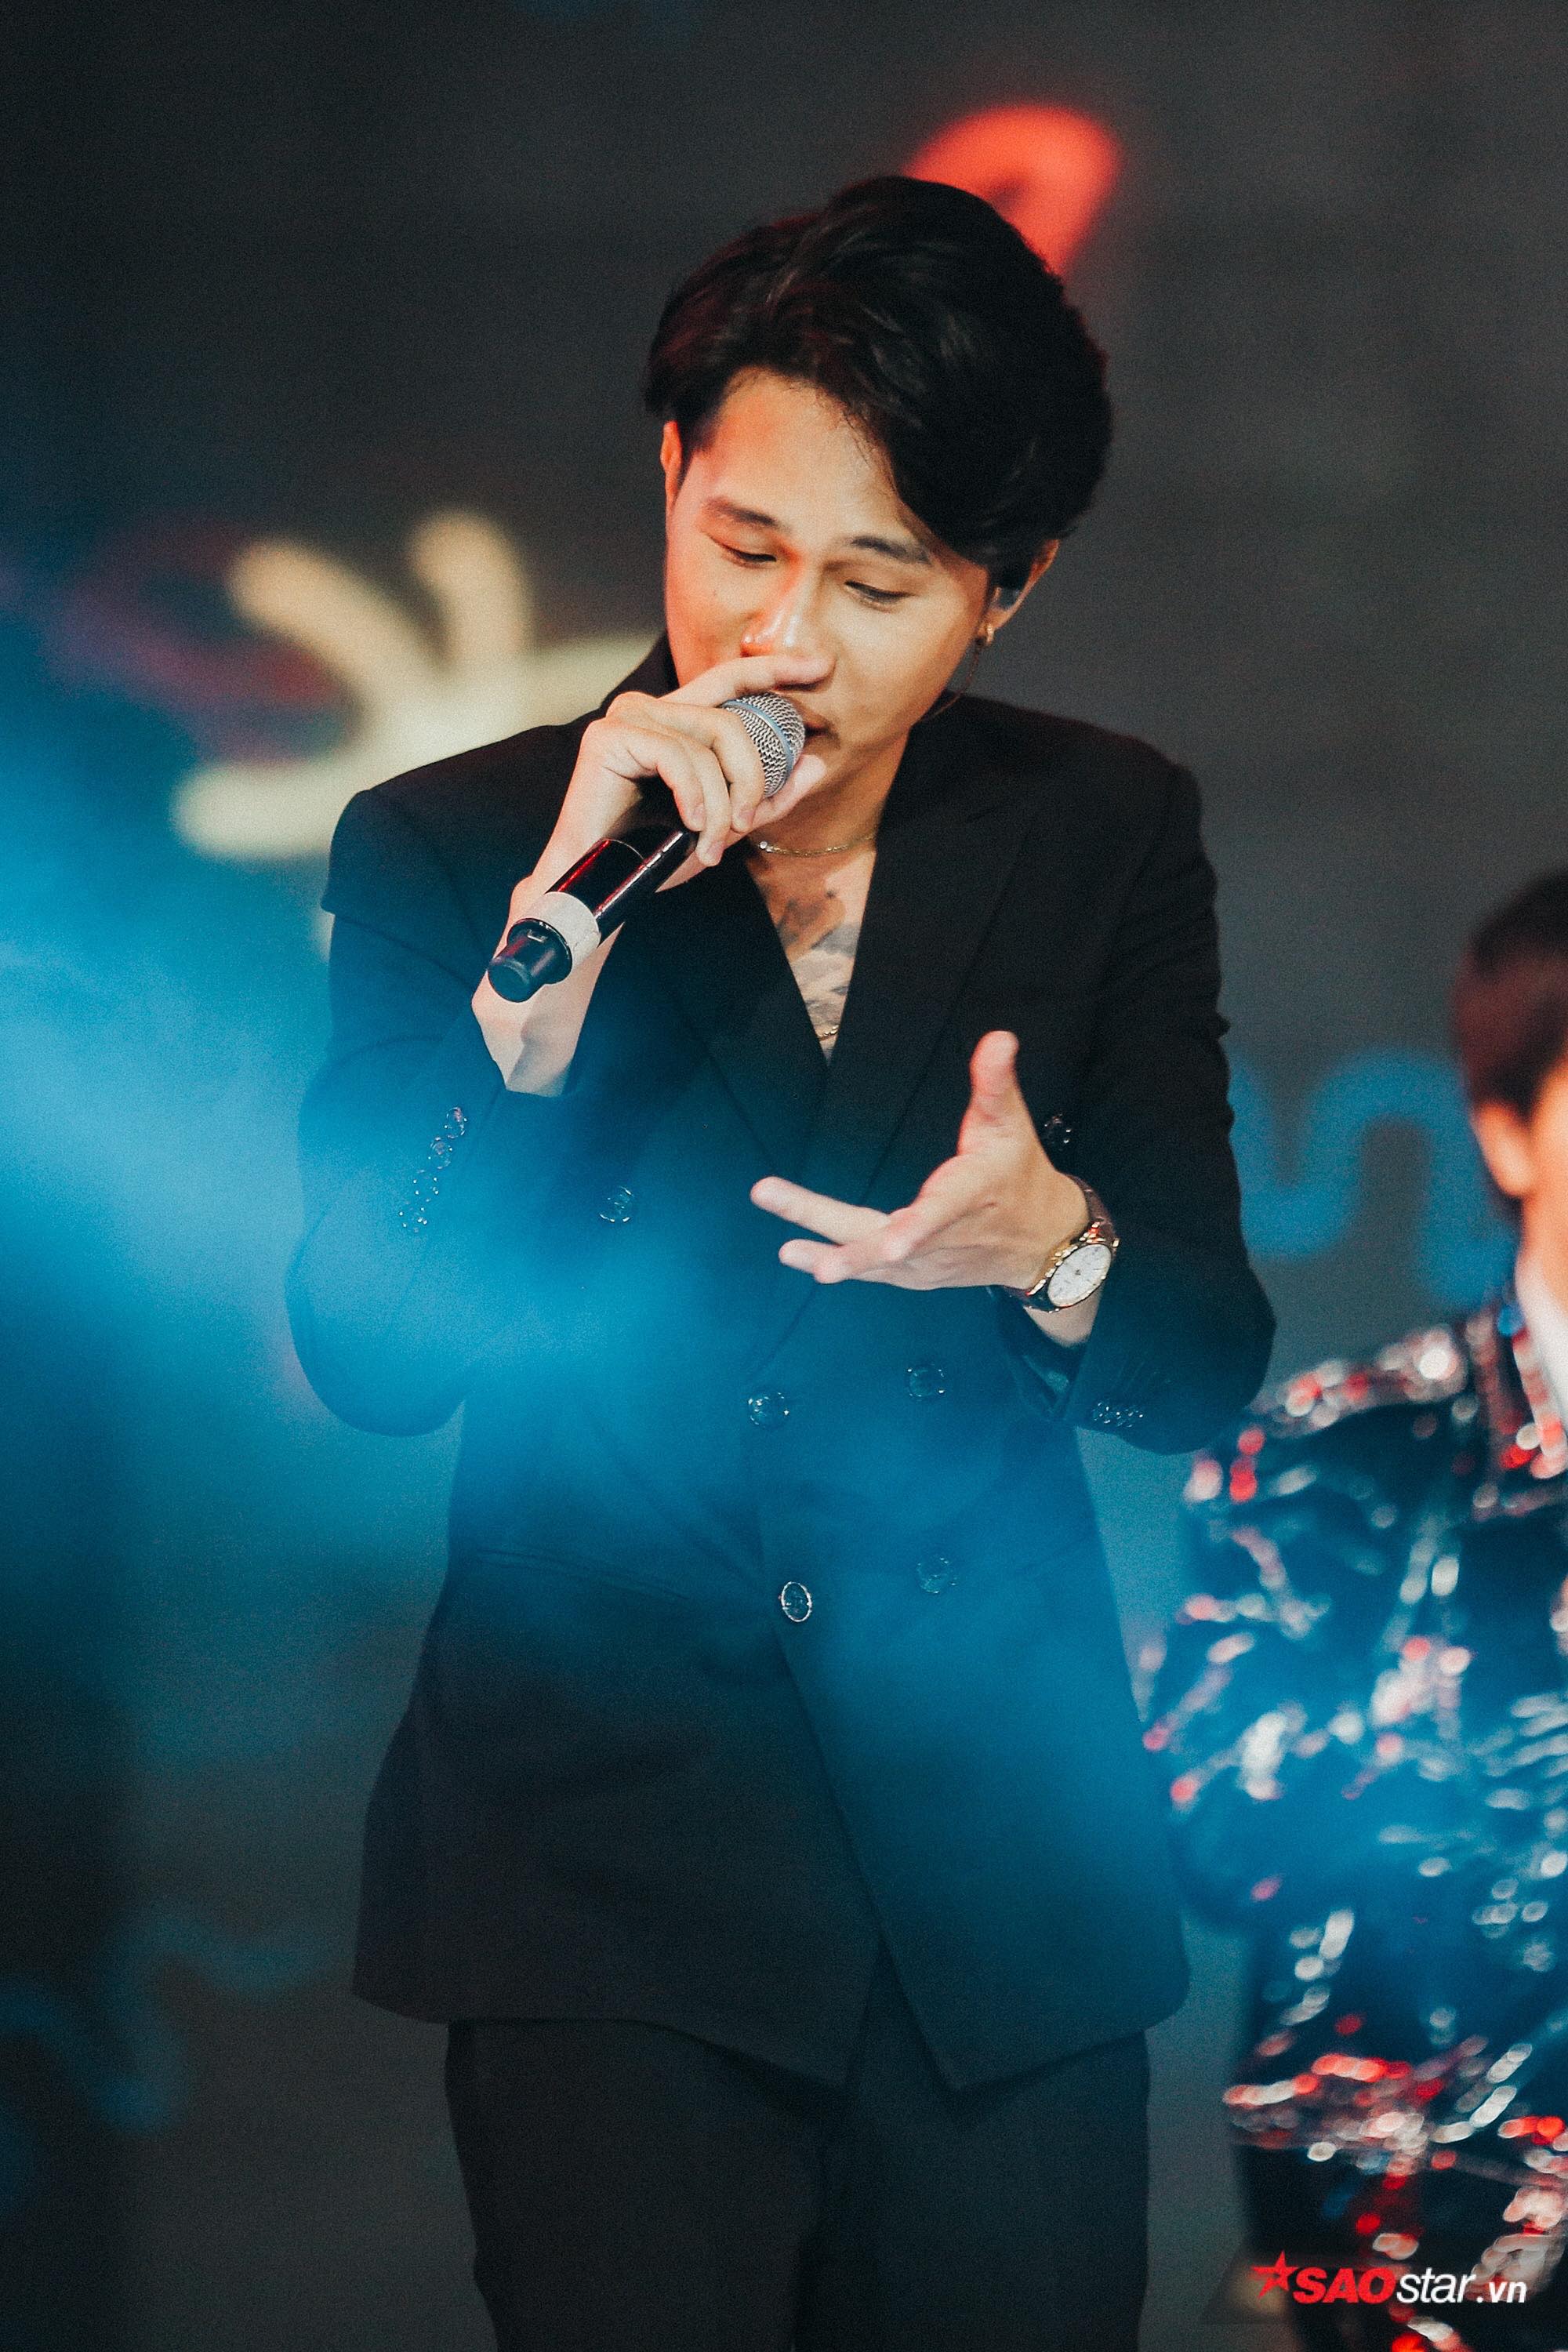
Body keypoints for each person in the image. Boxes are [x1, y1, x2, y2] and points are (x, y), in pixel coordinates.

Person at [288, 173, 1274, 2352]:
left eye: (876, 580)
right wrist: (525, 1026)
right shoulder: (467, 848)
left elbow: (1202, 1359)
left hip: (991, 1899)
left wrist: (1057, 1247)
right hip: (608, 1893)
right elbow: (367, 1349)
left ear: (1005, 590)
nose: (784, 643)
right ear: (670, 475)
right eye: (741, 546)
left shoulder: (1097, 829)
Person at [1143, 870, 1568, 2350]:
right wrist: (1496, 1734)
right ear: (1506, 1128)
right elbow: (1212, 1820)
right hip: (1427, 2234)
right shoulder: (1335, 1461)